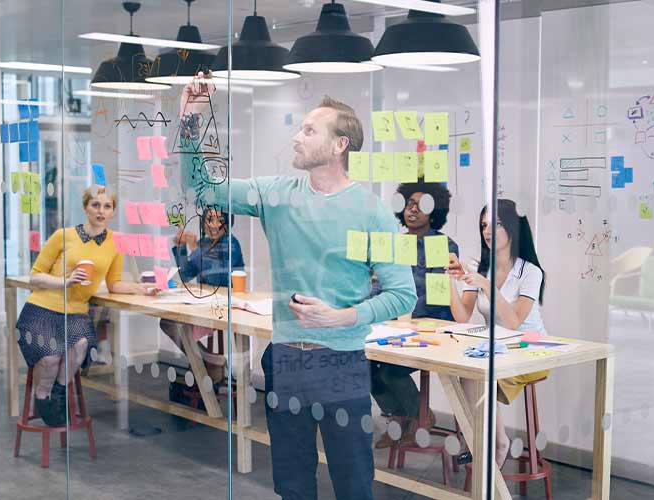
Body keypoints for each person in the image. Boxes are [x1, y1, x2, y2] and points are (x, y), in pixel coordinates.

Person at [178, 72, 415, 500]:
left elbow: (403, 294)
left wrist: (341, 315)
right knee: (291, 483)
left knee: (353, 482)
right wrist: (191, 123)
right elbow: (203, 190)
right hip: (286, 359)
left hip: (341, 363)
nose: (296, 137)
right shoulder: (277, 194)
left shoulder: (372, 212)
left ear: (340, 145)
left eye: (309, 130)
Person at [17, 186, 158, 426]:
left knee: (80, 345)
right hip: (41, 309)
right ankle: (42, 395)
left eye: (107, 206)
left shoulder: (116, 242)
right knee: (50, 359)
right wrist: (66, 281)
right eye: (95, 205)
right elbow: (35, 276)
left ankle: (60, 393)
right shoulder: (63, 235)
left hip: (75, 313)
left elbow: (114, 284)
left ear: (112, 211)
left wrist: (140, 288)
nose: (101, 211)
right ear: (85, 208)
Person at [445, 199, 548, 467]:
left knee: (477, 374)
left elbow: (513, 322)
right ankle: (491, 440)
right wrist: (448, 280)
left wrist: (486, 285)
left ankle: (490, 442)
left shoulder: (530, 272)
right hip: (495, 349)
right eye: (483, 225)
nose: (488, 231)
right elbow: (462, 316)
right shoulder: (479, 266)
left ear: (513, 227)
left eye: (496, 224)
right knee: (465, 370)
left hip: (531, 350)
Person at [371, 183, 459, 449]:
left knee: (390, 369)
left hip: (430, 327)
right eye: (409, 203)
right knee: (361, 364)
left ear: (435, 212)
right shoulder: (395, 243)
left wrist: (400, 317)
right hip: (395, 325)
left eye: (421, 205)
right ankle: (402, 419)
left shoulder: (442, 245)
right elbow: (378, 284)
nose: (412, 209)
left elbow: (436, 296)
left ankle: (416, 418)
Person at [160, 206, 245, 386]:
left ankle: (208, 362)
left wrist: (195, 247)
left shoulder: (232, 243)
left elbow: (217, 275)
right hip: (204, 302)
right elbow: (185, 274)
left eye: (219, 220)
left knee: (176, 323)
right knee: (167, 322)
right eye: (209, 219)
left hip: (224, 304)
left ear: (228, 223)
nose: (213, 225)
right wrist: (182, 248)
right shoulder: (205, 243)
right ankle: (207, 359)